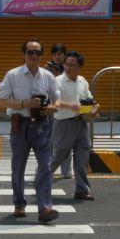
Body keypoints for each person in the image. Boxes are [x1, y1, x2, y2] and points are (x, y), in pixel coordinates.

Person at [0, 39, 59, 222]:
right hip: (20, 125)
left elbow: (57, 100)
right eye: (30, 52)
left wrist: (52, 108)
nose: (34, 56)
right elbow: (1, 101)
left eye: (37, 53)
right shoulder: (13, 75)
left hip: (42, 125)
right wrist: (24, 104)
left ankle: (45, 208)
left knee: (46, 167)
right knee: (18, 168)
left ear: (41, 56)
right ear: (23, 54)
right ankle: (19, 203)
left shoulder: (48, 76)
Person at [49, 51, 95, 201]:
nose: (68, 67)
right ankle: (41, 181)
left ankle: (82, 189)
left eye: (72, 65)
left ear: (79, 67)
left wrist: (94, 108)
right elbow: (56, 102)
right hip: (63, 124)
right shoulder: (57, 81)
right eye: (66, 64)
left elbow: (89, 99)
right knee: (59, 156)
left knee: (83, 157)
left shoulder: (82, 81)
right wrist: (72, 106)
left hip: (80, 124)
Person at [46, 44, 71, 179]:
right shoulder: (45, 70)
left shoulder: (70, 69)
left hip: (65, 108)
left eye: (60, 54)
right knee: (49, 140)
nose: (57, 56)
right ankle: (49, 169)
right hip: (50, 109)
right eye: (55, 54)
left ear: (65, 55)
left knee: (65, 141)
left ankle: (66, 171)